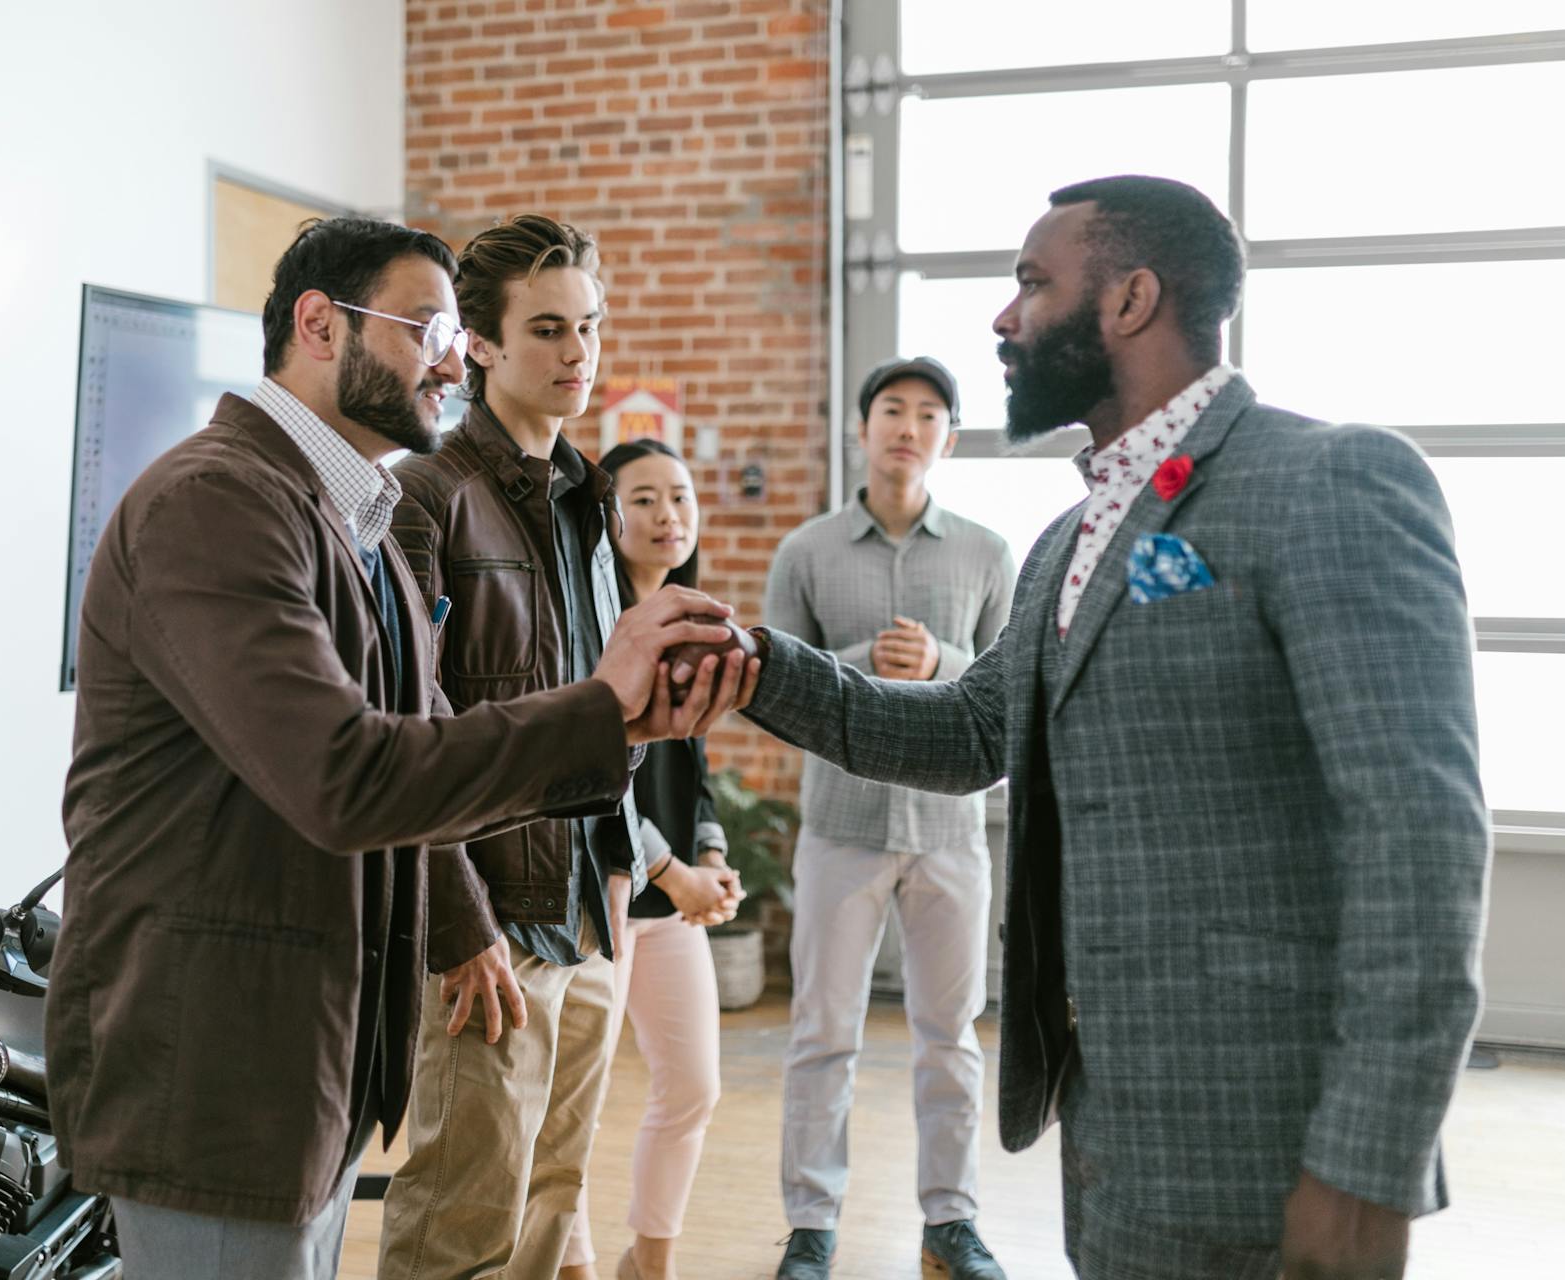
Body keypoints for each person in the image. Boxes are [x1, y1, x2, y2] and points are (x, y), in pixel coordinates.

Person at [728, 176, 1489, 1280]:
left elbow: (1421, 839)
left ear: (1131, 300)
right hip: (1113, 1122)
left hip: (1268, 1136)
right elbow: (968, 731)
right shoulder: (1066, 539)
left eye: (1033, 284)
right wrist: (757, 668)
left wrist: (1368, 1163)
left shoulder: (1328, 479)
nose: (1003, 318)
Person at [47, 216, 749, 1280]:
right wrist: (602, 713)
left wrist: (625, 722)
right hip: (221, 1063)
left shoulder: (345, 510)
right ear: (320, 325)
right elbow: (352, 773)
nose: (453, 353)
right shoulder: (217, 501)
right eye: (426, 325)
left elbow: (418, 741)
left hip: (305, 1052)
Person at [380, 214, 753, 1277]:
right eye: (548, 329)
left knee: (553, 1205)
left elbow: (603, 716)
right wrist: (459, 924)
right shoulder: (427, 498)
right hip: (489, 919)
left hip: (591, 911)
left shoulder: (591, 503)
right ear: (482, 345)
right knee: (460, 1219)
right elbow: (410, 738)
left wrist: (633, 864)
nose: (578, 352)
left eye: (587, 325)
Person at [764, 357, 1016, 1280]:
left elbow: (1011, 686)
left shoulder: (988, 552)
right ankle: (811, 1227)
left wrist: (943, 660)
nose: (908, 427)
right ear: (861, 430)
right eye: (892, 411)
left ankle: (951, 1223)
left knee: (950, 1038)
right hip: (841, 824)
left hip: (951, 831)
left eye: (928, 415)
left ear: (947, 438)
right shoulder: (806, 551)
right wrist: (867, 659)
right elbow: (777, 688)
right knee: (823, 1033)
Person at [562, 437, 747, 1280]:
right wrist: (674, 870)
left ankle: (651, 1261)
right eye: (643, 497)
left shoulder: (694, 618)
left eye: (679, 495)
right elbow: (599, 776)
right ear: (606, 512)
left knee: (693, 1087)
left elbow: (691, 769)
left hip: (669, 894)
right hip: (597, 892)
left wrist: (708, 851)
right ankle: (572, 1264)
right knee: (574, 1107)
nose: (667, 514)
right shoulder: (585, 623)